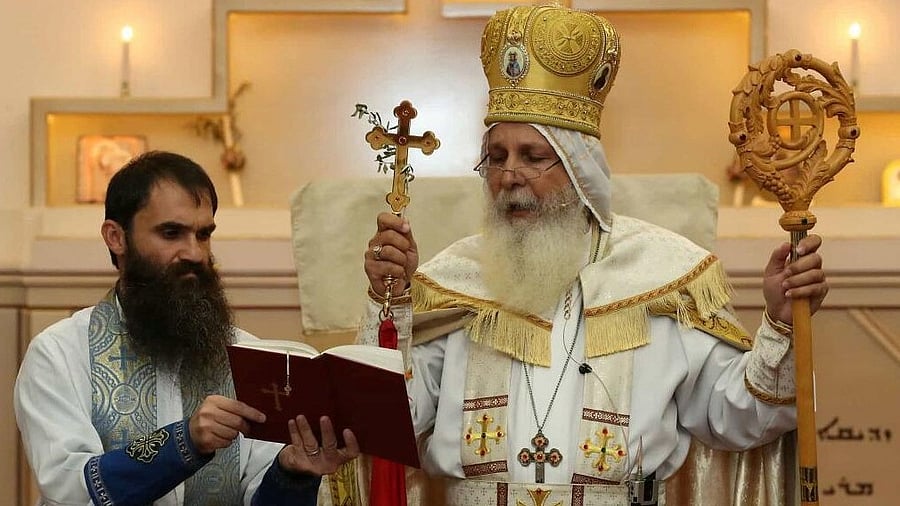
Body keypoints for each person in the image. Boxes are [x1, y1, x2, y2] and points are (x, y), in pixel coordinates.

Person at [358, 4, 827, 505]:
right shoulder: (456, 281)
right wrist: (391, 304)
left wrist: (781, 324)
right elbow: (386, 422)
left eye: (533, 157)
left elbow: (741, 417)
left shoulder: (659, 275)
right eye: (496, 157)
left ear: (580, 169)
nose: (509, 176)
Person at [15, 151, 360, 505]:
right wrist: (185, 443)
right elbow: (70, 489)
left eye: (204, 234)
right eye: (171, 233)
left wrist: (291, 473)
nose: (194, 253)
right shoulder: (59, 354)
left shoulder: (248, 360)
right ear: (116, 237)